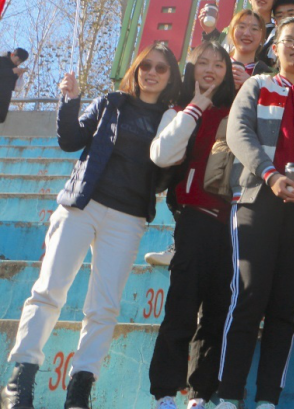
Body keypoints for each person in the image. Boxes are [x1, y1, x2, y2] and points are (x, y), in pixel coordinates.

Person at [1, 44, 181, 409]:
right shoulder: (111, 102)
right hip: (82, 205)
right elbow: (70, 139)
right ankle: (20, 380)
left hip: (128, 218)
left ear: (170, 77)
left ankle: (80, 389)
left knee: (104, 307)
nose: (151, 72)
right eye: (145, 65)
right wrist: (70, 100)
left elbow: (165, 177)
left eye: (161, 68)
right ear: (136, 68)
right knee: (48, 291)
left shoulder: (171, 119)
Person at [215, 18, 294, 409]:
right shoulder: (257, 85)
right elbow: (238, 132)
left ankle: (268, 398)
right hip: (257, 199)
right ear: (275, 48)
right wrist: (271, 176)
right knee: (248, 296)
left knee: (286, 306)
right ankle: (229, 395)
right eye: (288, 41)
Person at [146, 41, 238, 409]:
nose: (210, 70)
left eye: (219, 64)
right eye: (203, 63)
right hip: (195, 220)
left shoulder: (237, 111)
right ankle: (165, 392)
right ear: (192, 69)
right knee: (182, 308)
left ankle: (200, 394)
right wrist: (196, 106)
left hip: (232, 225)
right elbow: (163, 155)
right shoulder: (178, 111)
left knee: (217, 312)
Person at [226, 9, 273, 90]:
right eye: (241, 27)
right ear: (232, 31)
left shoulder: (269, 75)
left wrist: (251, 83)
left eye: (254, 29)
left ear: (262, 37)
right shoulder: (217, 66)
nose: (247, 33)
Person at [257, 0, 294, 66]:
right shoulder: (265, 40)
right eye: (280, 16)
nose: (286, 19)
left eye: (291, 14)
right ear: (275, 22)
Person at [0, 47, 28, 123]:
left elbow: (14, 87)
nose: (18, 63)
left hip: (3, 102)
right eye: (18, 60)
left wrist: (18, 77)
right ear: (12, 54)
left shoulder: (15, 70)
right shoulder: (1, 60)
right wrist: (11, 71)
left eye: (20, 62)